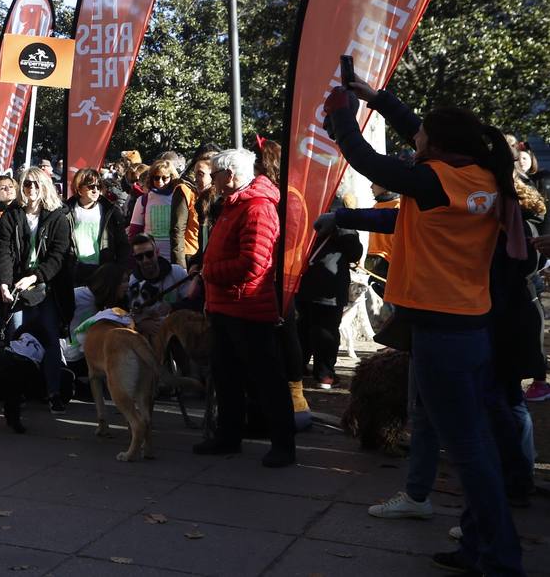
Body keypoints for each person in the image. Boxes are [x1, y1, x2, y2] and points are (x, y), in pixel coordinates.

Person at [327, 79, 525, 574]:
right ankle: (478, 544)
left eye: (421, 139)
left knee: (468, 449)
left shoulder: (435, 179)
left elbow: (367, 161)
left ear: (436, 146)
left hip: (441, 332)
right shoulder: (477, 176)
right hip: (470, 326)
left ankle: (501, 558)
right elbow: (419, 138)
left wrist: (342, 114)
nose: (413, 142)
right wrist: (377, 99)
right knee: (471, 438)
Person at [193, 147, 294, 468]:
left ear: (231, 175)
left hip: (248, 307)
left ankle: (283, 444)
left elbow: (254, 262)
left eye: (216, 175)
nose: (213, 181)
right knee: (227, 376)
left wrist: (211, 272)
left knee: (266, 379)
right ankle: (228, 435)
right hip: (226, 306)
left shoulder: (258, 208)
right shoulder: (234, 205)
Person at [0, 166, 73, 411]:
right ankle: (16, 393)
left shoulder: (58, 216)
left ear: (45, 186)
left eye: (36, 184)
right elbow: (4, 252)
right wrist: (4, 284)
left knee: (49, 339)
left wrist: (35, 277)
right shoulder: (11, 214)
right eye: (26, 184)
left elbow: (58, 256)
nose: (30, 189)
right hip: (18, 286)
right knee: (16, 339)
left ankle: (53, 392)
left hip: (46, 287)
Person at [297, 193, 363, 389]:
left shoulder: (305, 209)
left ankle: (298, 368)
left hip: (303, 278)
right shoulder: (340, 218)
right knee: (326, 330)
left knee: (304, 327)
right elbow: (354, 251)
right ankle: (325, 374)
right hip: (329, 282)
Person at [65, 167, 130, 302]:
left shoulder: (111, 211)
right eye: (90, 186)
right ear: (78, 188)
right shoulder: (66, 211)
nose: (96, 190)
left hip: (103, 270)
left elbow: (123, 244)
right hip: (75, 270)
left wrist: (120, 270)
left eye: (99, 186)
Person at [126, 232, 191, 341]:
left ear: (157, 252)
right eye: (139, 257)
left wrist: (172, 307)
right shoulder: (133, 282)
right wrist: (141, 324)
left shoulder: (177, 272)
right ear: (135, 259)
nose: (145, 260)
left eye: (149, 254)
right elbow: (126, 313)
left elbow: (193, 302)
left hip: (179, 330)